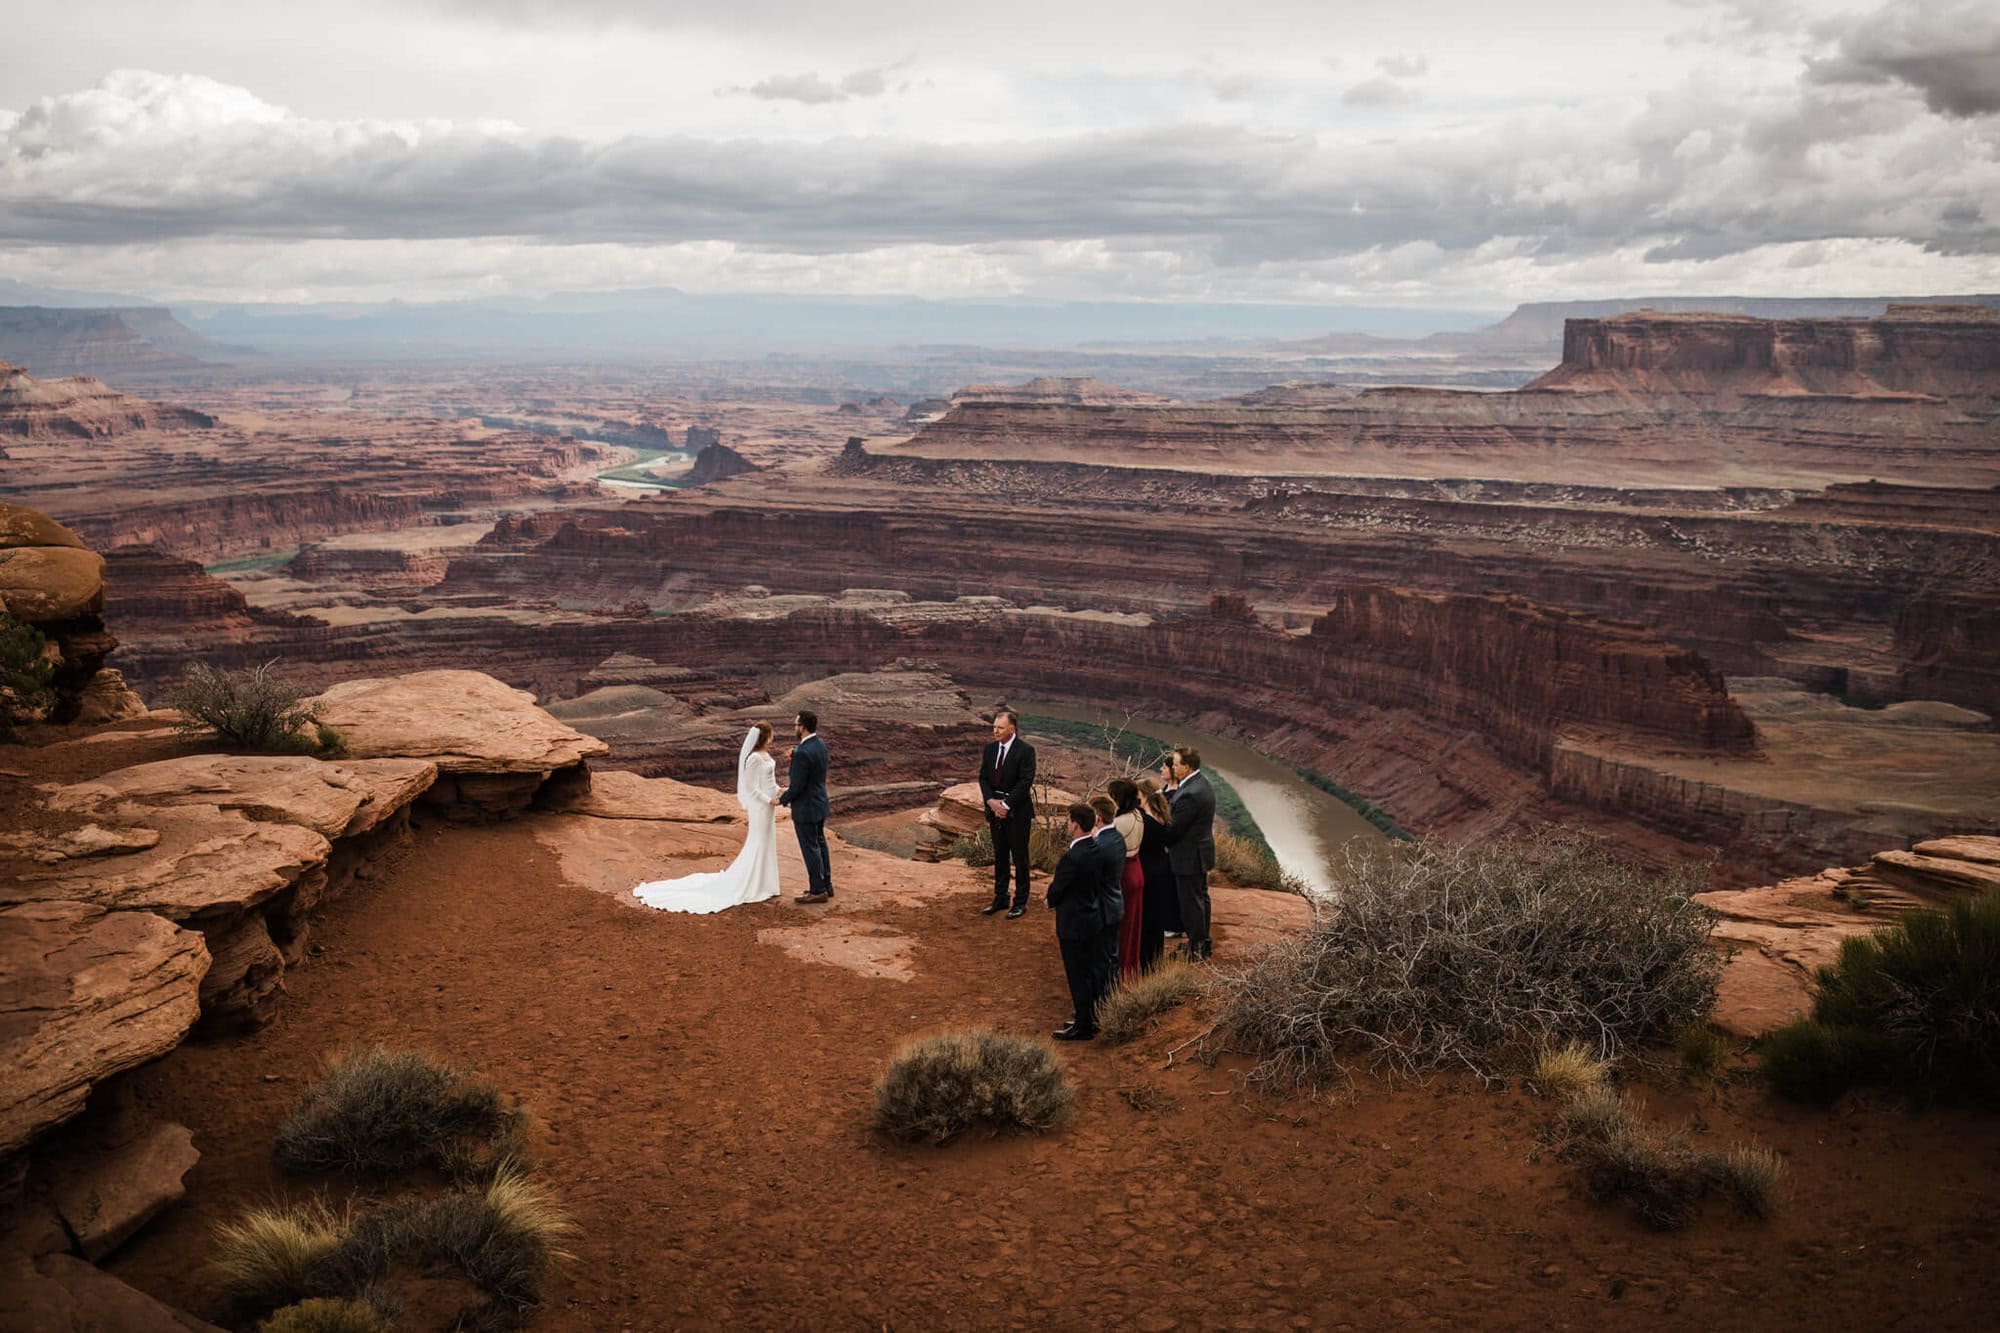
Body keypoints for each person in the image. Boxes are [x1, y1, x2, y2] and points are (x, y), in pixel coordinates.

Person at [633, 723, 782, 913]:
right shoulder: (753, 758)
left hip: (769, 806)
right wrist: (768, 800)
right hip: (761, 807)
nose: (773, 737)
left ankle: (766, 884)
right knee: (758, 841)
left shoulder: (766, 756)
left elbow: (769, 781)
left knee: (767, 841)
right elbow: (752, 787)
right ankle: (753, 884)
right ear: (766, 736)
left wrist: (779, 791)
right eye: (771, 734)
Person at [1047, 801, 1112, 1041]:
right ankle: (1090, 1018)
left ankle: (1082, 1025)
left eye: (1068, 821)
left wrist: (1050, 900)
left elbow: (1057, 890)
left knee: (1077, 974)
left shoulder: (1072, 857)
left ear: (1075, 825)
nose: (1067, 825)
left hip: (1073, 924)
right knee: (1092, 971)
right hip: (1092, 919)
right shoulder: (1096, 849)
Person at [978, 709, 1037, 919]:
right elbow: (983, 778)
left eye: (1000, 728)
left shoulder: (1026, 751)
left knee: (1020, 858)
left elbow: (1025, 781)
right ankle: (1000, 897)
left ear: (1012, 729)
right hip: (995, 810)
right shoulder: (990, 749)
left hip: (1017, 813)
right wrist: (992, 802)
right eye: (994, 727)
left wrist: (1006, 805)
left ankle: (1020, 902)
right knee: (1000, 855)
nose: (995, 731)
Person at [1163, 746, 1216, 960]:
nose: (1173, 767)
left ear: (1186, 767)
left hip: (1188, 856)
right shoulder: (1201, 783)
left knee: (1191, 903)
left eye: (1175, 764)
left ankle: (1196, 949)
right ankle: (1202, 943)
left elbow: (1175, 830)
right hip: (1199, 852)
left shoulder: (1190, 794)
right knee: (1201, 899)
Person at [778, 710, 833, 903]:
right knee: (820, 843)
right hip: (819, 803)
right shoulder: (820, 744)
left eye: (796, 725)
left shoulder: (802, 753)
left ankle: (817, 890)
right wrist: (795, 753)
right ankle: (826, 884)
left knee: (810, 848)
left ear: (802, 727)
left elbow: (798, 786)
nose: (795, 728)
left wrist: (781, 799)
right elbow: (811, 761)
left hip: (806, 807)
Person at [1135, 776, 1178, 972]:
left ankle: (1146, 964)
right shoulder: (1163, 817)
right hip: (1162, 869)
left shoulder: (1144, 821)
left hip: (1147, 872)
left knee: (1146, 920)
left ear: (1143, 796)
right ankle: (1154, 962)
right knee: (1156, 919)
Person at [1107, 779, 1147, 982]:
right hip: (1136, 870)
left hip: (1123, 873)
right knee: (1132, 924)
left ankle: (1118, 971)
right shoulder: (1138, 815)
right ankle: (1129, 968)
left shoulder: (1119, 823)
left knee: (1120, 925)